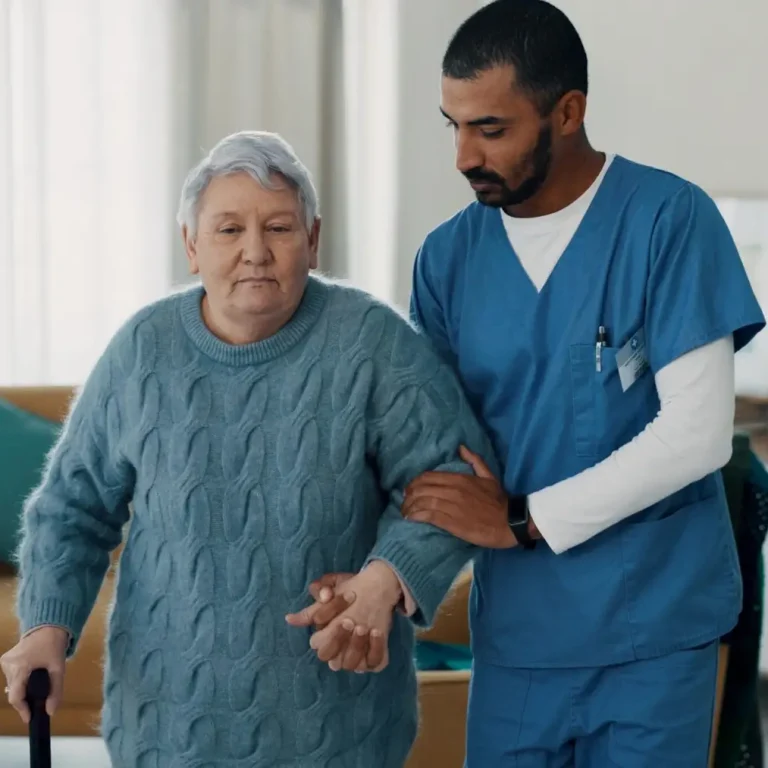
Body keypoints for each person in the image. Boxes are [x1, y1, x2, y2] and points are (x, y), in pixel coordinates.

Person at [307, 1, 766, 765]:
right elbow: (437, 457)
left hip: (652, 632)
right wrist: (379, 576)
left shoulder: (668, 221)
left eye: (490, 129)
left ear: (567, 112)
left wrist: (523, 520)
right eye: (452, 125)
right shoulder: (447, 259)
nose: (462, 155)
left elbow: (697, 434)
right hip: (523, 637)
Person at [0, 130, 494, 767]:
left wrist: (385, 578)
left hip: (336, 731)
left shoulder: (371, 342)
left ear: (313, 241)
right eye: (229, 229)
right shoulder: (142, 350)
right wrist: (46, 629)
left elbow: (455, 474)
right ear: (191, 245)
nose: (255, 252)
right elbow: (72, 508)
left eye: (280, 228)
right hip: (166, 728)